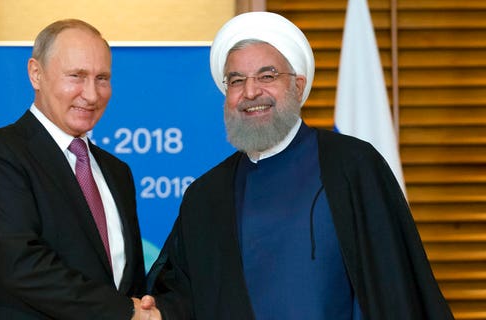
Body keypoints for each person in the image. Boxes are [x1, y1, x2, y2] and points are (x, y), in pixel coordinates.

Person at [146, 12, 454, 320]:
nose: (250, 92)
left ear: (298, 85)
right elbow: (184, 295)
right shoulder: (206, 195)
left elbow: (393, 289)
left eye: (267, 76)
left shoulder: (352, 166)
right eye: (237, 81)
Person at [0, 19, 158, 319]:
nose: (92, 95)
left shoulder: (117, 171)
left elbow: (127, 278)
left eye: (102, 78)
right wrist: (125, 311)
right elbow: (22, 265)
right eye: (76, 76)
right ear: (36, 74)